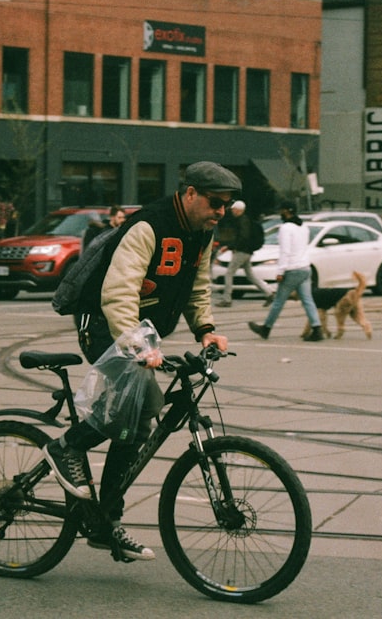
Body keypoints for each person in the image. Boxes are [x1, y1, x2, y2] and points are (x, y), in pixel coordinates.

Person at [43, 161, 237, 562]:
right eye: (214, 202)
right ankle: (66, 448)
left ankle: (104, 522)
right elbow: (119, 292)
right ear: (189, 194)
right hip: (102, 326)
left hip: (141, 335)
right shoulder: (148, 226)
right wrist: (137, 345)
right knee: (145, 403)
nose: (220, 211)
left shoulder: (202, 234)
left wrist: (206, 329)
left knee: (134, 424)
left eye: (226, 205)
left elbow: (196, 288)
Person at [247, 201, 323, 342]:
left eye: (282, 211)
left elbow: (285, 251)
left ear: (287, 211)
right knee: (308, 300)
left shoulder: (286, 228)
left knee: (278, 301)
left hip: (292, 269)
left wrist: (280, 271)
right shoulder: (303, 227)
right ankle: (317, 328)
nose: (280, 213)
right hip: (305, 267)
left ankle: (266, 328)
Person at [216, 200, 273, 307]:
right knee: (250, 275)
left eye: (233, 209)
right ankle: (269, 293)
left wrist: (230, 247)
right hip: (247, 251)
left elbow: (243, 237)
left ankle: (227, 299)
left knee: (229, 273)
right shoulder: (245, 219)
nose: (232, 211)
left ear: (238, 210)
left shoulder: (242, 220)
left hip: (241, 251)